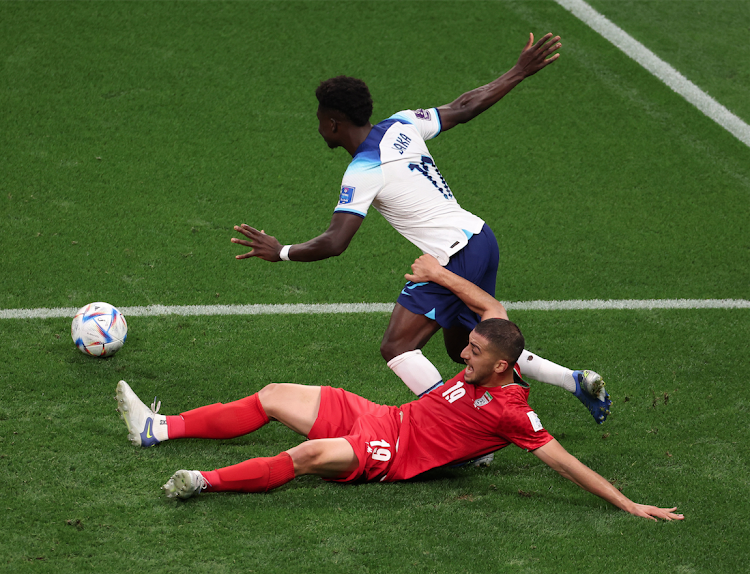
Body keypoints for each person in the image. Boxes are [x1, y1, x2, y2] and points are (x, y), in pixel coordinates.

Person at [230, 33, 610, 423]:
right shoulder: (402, 124)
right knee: (465, 345)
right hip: (479, 237)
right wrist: (517, 71)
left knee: (397, 346)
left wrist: (281, 251)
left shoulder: (363, 170)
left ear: (332, 123)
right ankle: (574, 380)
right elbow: (464, 106)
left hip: (451, 256)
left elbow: (335, 241)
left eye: (318, 119)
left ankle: (458, 427)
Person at [114, 318, 682, 520]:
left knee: (309, 457)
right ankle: (157, 429)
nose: (463, 355)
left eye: (475, 353)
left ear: (503, 365)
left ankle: (201, 484)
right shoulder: (487, 359)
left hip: (394, 457)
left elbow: (566, 465)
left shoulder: (514, 412)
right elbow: (489, 311)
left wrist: (630, 505)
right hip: (382, 416)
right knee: (273, 395)